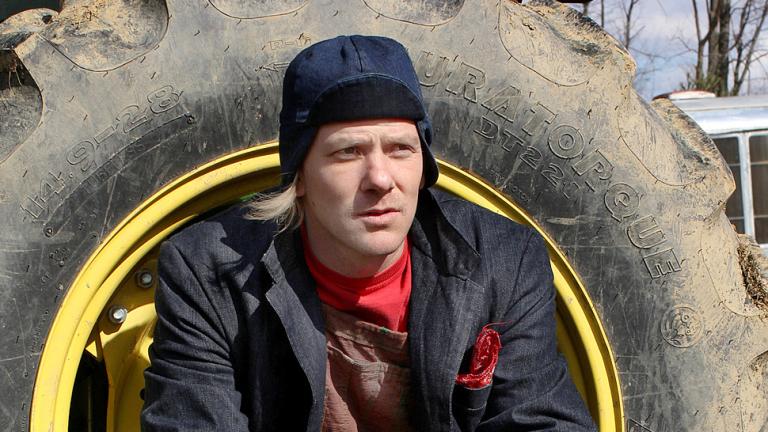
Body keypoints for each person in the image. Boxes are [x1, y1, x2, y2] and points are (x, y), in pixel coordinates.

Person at [141, 35, 596, 431]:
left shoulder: (505, 260)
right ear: (300, 176)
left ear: (423, 166)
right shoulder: (207, 271)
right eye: (348, 152)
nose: (380, 178)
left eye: (400, 149)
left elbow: (540, 420)